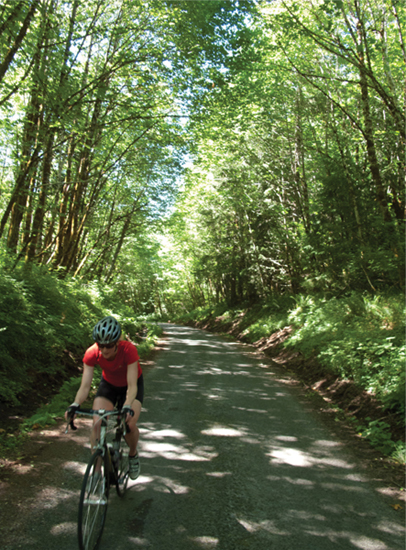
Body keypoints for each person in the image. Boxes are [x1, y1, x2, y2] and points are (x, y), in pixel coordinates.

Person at [65, 315, 144, 480]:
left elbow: (132, 386)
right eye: (101, 345)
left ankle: (133, 454)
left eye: (108, 345)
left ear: (116, 342)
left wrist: (127, 405)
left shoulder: (128, 350)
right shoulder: (92, 353)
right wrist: (75, 403)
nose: (105, 350)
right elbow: (85, 386)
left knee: (128, 423)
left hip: (130, 386)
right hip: (109, 385)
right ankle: (97, 471)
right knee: (97, 422)